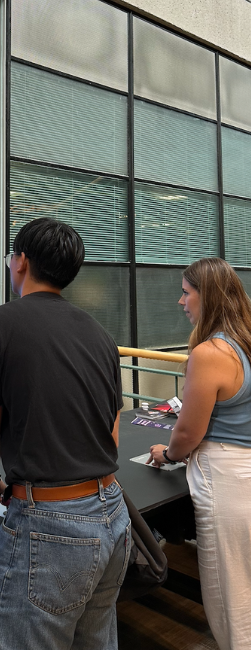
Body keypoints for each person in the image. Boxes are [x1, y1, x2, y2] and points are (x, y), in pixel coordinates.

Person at [0, 218, 130, 650]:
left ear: (21, 262)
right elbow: (110, 436)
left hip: (51, 527)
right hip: (113, 515)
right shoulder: (100, 335)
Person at [147, 257, 251, 650]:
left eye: (186, 292)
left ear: (207, 297)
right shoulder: (246, 342)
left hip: (225, 481)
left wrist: (169, 453)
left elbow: (188, 432)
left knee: (232, 600)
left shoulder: (210, 353)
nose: (181, 301)